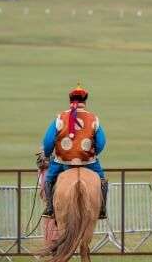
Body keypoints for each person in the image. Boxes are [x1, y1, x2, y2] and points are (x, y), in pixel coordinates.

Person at [40, 83, 108, 219]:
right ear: (85, 101)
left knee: (49, 179)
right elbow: (101, 142)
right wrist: (92, 153)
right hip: (88, 161)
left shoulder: (59, 118)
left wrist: (47, 155)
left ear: (71, 100)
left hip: (62, 161)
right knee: (102, 180)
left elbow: (47, 142)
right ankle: (102, 208)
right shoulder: (94, 119)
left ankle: (49, 208)